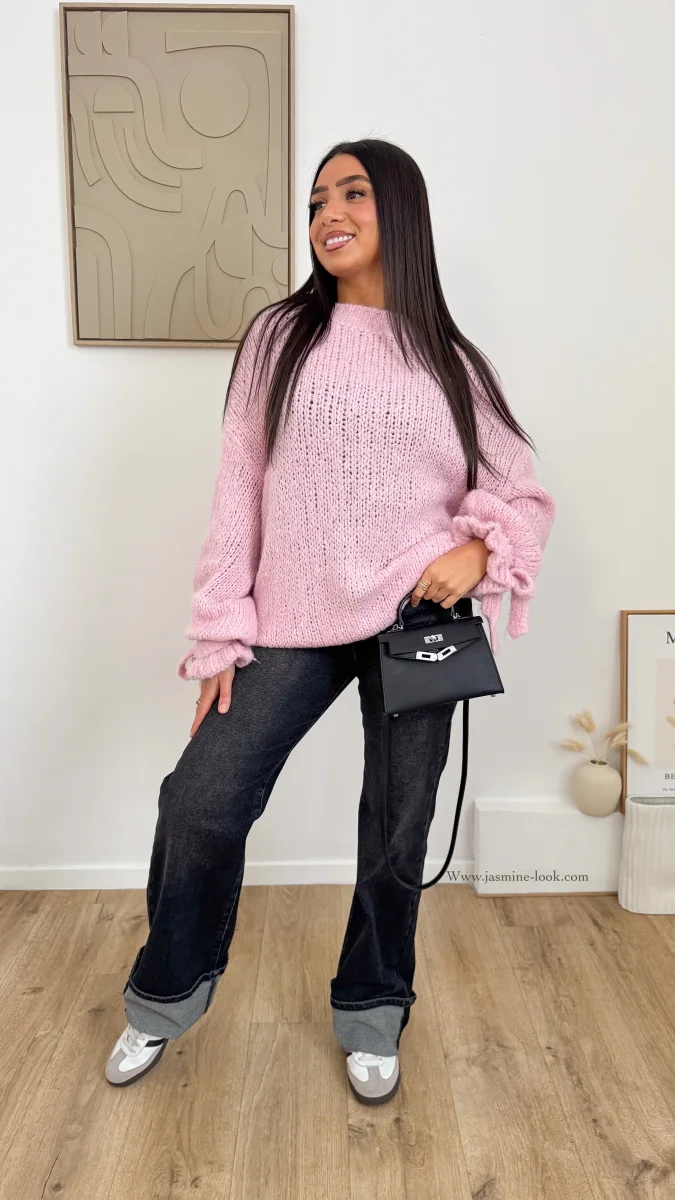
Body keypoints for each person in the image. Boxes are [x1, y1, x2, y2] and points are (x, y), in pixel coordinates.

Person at [105, 137, 556, 1104]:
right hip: (291, 616)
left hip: (415, 618)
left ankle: (371, 1009)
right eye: (316, 201)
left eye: (352, 194)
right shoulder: (279, 335)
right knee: (200, 800)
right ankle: (164, 995)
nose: (328, 215)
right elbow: (238, 489)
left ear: (401, 210)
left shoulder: (451, 360)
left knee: (397, 827)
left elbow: (519, 489)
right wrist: (220, 628)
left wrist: (477, 553)